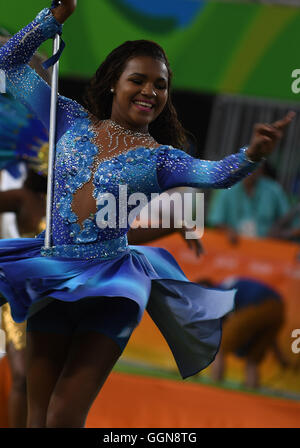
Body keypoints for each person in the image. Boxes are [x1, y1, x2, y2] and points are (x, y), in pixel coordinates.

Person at [0, 0, 294, 428]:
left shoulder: (161, 159)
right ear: (113, 83)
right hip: (52, 272)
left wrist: (252, 153)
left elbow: (216, 174)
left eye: (161, 85)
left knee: (64, 415)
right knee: (37, 414)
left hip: (112, 288)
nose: (150, 91)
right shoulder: (67, 119)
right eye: (138, 80)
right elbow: (9, 61)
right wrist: (51, 20)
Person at [206, 277, 288, 389]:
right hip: (279, 308)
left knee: (220, 349)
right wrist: (280, 357)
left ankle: (214, 387)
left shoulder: (217, 293)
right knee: (253, 359)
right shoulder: (229, 288)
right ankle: (251, 391)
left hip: (257, 303)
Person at [207, 162, 290, 244]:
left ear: (262, 168)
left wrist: (278, 232)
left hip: (265, 248)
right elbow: (216, 221)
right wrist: (227, 230)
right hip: (233, 248)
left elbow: (287, 220)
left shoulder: (274, 190)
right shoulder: (227, 188)